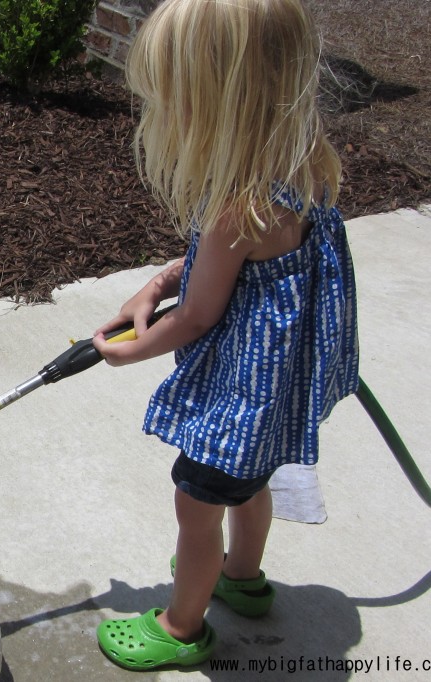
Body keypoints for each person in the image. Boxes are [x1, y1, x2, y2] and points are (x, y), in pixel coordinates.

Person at [90, 0, 359, 671]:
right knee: (251, 486)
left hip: (238, 400)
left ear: (214, 101)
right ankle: (244, 576)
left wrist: (127, 350)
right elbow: (236, 272)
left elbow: (199, 316)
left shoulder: (234, 206)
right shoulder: (303, 167)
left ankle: (183, 626)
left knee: (197, 507)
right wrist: (160, 280)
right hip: (272, 405)